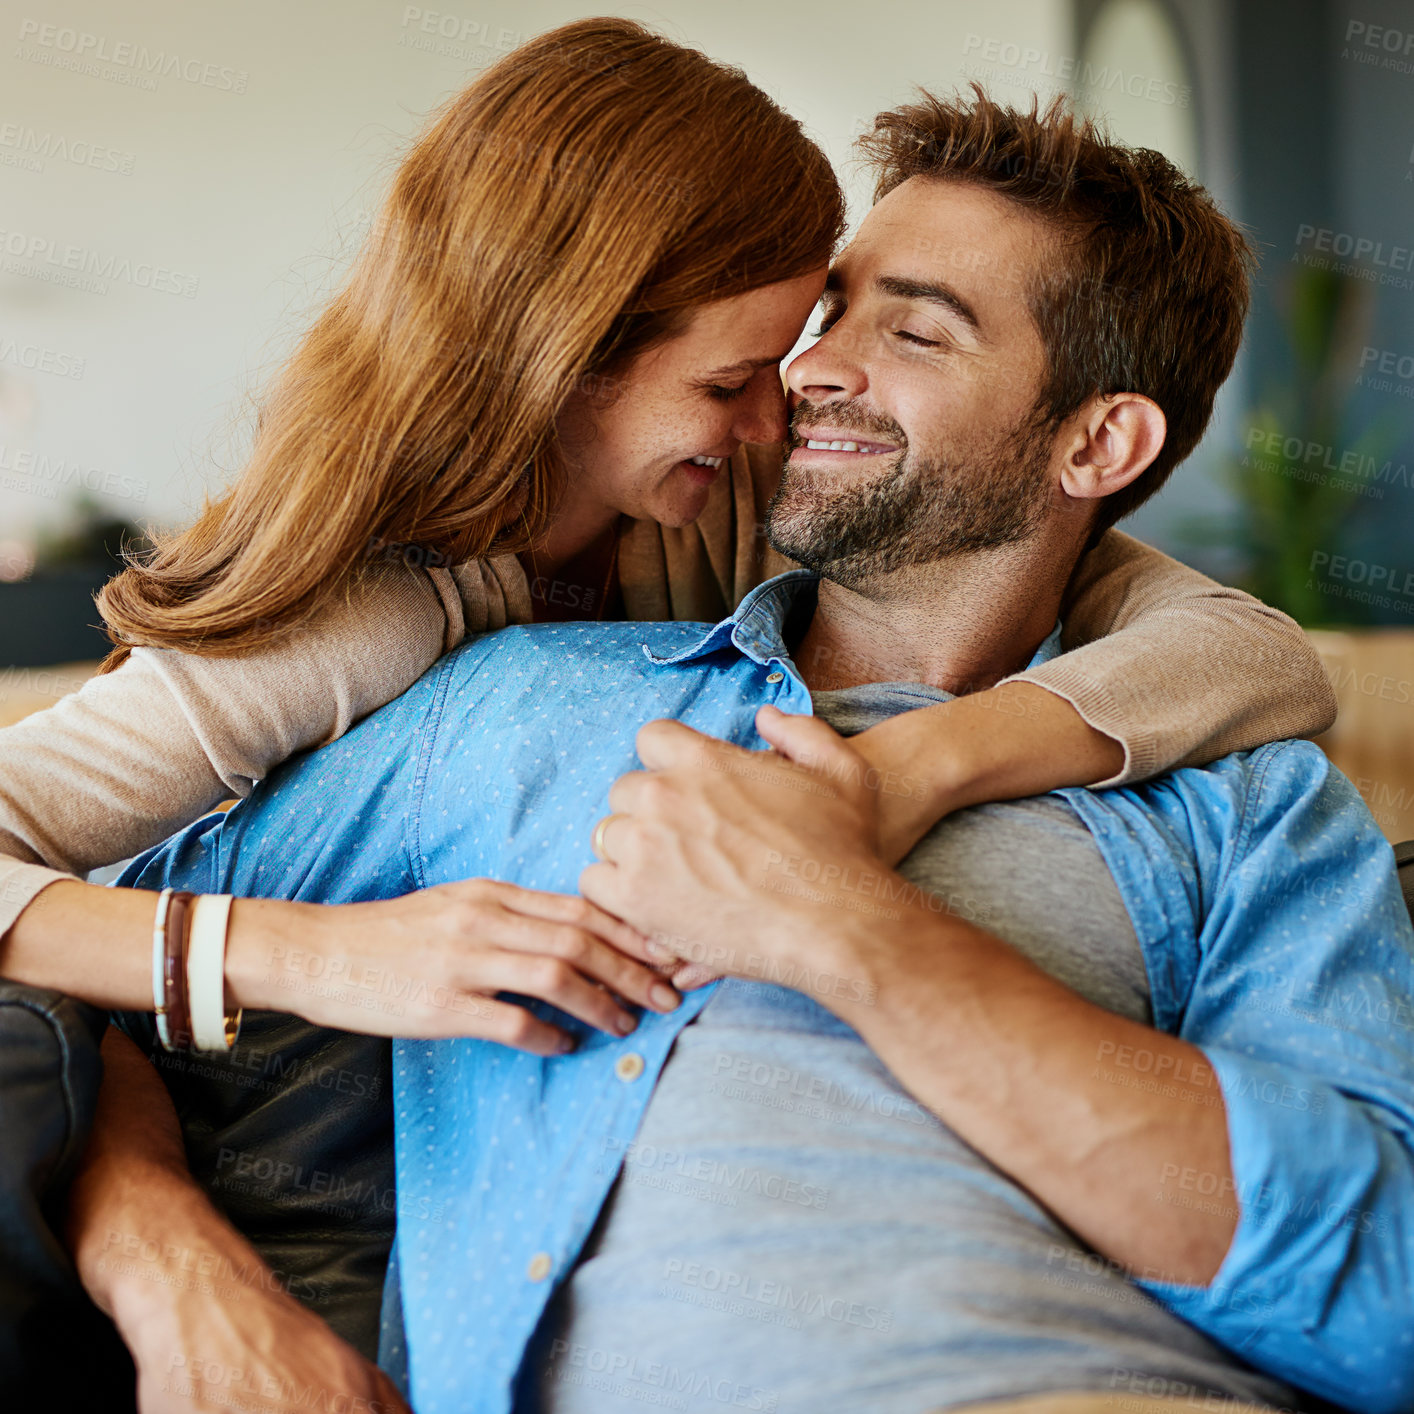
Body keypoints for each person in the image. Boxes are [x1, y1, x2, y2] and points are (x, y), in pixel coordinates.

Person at [69, 89, 1411, 1414]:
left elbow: (1384, 1299)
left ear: (1097, 441)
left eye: (918, 334)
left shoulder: (1243, 802)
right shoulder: (509, 704)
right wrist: (171, 1267)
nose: (813, 366)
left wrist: (848, 927)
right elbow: (78, 979)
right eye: (829, 316)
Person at [0, 19, 1337, 1044]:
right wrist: (321, 957)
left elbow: (1256, 657)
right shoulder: (383, 601)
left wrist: (916, 765)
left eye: (809, 346)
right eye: (732, 374)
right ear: (567, 360)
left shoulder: (729, 490)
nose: (785, 402)